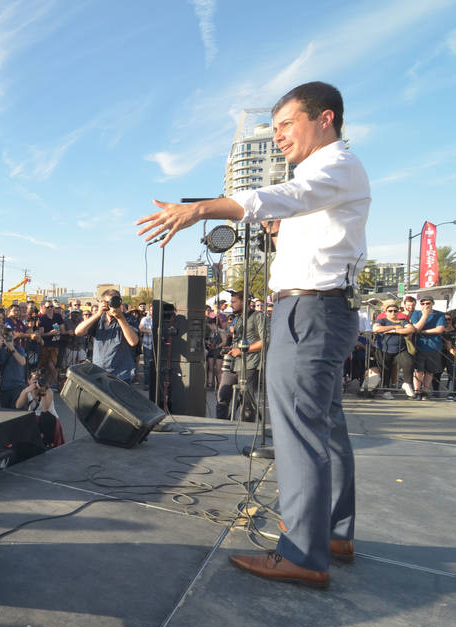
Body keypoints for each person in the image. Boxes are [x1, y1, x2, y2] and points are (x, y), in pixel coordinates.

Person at [137, 81, 367, 588]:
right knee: (325, 425)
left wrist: (199, 208)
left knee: (301, 431)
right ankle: (331, 533)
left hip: (309, 311)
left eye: (287, 123)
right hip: (317, 310)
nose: (280, 135)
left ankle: (304, 553)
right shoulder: (330, 176)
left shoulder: (332, 167)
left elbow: (280, 196)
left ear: (324, 118)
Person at [215, 291, 268, 421]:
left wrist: (244, 350)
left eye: (234, 302)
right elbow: (235, 340)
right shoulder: (237, 319)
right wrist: (230, 348)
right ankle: (220, 428)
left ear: (244, 302)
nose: (231, 305)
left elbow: (266, 340)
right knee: (222, 396)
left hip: (249, 364)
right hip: (232, 364)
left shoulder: (258, 316)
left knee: (247, 403)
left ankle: (247, 432)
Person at [73, 289, 139, 383]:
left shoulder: (128, 319)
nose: (111, 306)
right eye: (108, 303)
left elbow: (133, 341)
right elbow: (78, 332)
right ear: (102, 303)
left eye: (114, 302)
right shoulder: (98, 319)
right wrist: (98, 313)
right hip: (99, 373)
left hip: (122, 375)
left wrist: (120, 317)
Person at [408, 296, 446, 400]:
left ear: (433, 303)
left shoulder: (440, 314)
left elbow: (439, 329)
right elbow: (416, 328)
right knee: (418, 370)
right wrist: (424, 315)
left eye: (428, 303)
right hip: (419, 346)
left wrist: (424, 332)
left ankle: (425, 391)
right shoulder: (416, 314)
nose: (426, 305)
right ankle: (417, 391)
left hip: (434, 346)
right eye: (423, 303)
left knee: (430, 371)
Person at [16, 369, 62, 448]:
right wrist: (26, 391)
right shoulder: (27, 391)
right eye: (34, 380)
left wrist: (42, 391)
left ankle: (47, 443)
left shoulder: (49, 391)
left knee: (44, 417)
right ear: (28, 381)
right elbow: (18, 406)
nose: (36, 383)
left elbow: (45, 409)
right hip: (33, 418)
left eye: (38, 380)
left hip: (49, 419)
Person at [0, 328, 28, 408]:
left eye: (10, 337)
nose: (9, 339)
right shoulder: (1, 350)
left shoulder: (19, 349)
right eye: (7, 337)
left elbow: (23, 362)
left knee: (17, 412)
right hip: (5, 387)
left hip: (18, 386)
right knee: (6, 412)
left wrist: (12, 349)